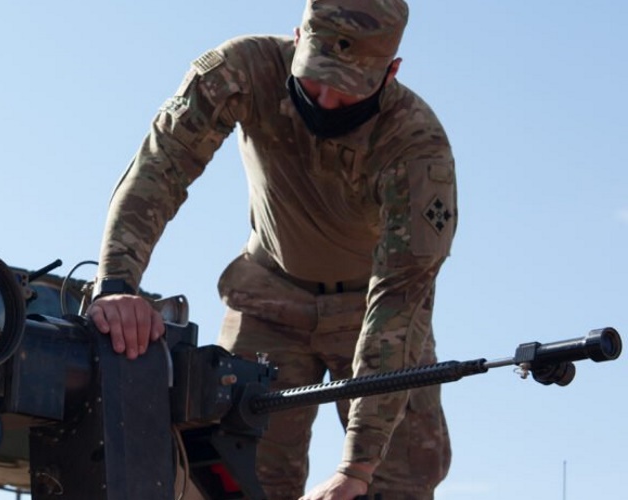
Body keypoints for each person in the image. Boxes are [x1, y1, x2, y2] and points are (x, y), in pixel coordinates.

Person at [87, 1, 455, 499]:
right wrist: (116, 283)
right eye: (314, 80)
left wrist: (358, 469)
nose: (326, 101)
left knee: (400, 478)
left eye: (348, 91)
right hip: (268, 299)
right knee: (233, 468)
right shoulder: (243, 70)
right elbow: (162, 168)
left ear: (390, 74)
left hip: (370, 311)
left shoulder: (415, 146)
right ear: (297, 39)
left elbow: (399, 302)